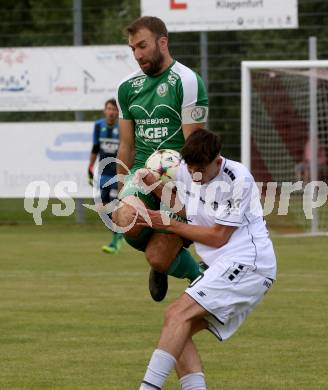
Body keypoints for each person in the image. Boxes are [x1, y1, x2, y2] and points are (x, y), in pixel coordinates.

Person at [135, 129, 277, 390]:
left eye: (201, 168)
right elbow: (189, 212)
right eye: (191, 169)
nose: (195, 175)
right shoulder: (188, 172)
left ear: (217, 160)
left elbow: (217, 236)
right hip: (228, 266)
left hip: (248, 264)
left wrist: (167, 224)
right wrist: (153, 186)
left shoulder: (238, 179)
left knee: (176, 316)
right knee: (177, 331)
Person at [114, 16, 209, 301]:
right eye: (133, 49)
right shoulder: (127, 88)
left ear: (162, 42)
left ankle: (178, 266)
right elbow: (127, 146)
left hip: (178, 182)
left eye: (142, 46)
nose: (138, 54)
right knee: (126, 219)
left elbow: (196, 147)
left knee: (157, 259)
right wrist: (121, 190)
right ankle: (190, 269)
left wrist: (191, 196)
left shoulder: (188, 81)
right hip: (142, 175)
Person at [88, 98, 125, 254]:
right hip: (104, 173)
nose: (111, 112)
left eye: (114, 109)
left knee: (116, 205)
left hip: (118, 173)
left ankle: (117, 239)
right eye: (109, 108)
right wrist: (89, 168)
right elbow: (95, 148)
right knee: (104, 207)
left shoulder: (123, 127)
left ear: (118, 112)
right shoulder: (98, 125)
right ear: (105, 110)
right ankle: (118, 234)